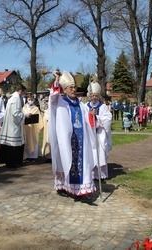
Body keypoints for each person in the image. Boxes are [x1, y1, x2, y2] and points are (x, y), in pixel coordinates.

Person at [49, 70, 97, 203]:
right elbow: (52, 96)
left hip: (81, 141)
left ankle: (81, 190)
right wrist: (57, 80)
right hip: (66, 140)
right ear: (64, 90)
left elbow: (88, 121)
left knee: (83, 163)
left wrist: (92, 115)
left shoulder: (81, 105)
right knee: (65, 161)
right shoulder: (60, 102)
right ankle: (64, 186)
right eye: (71, 87)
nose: (74, 89)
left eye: (75, 87)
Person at [0, 84, 29, 168]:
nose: (24, 94)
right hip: (14, 125)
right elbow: (15, 113)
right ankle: (12, 162)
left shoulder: (12, 97)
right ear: (20, 90)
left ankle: (11, 161)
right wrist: (24, 116)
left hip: (10, 123)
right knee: (13, 143)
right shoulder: (16, 99)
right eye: (24, 92)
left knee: (11, 144)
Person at [86, 81, 112, 180]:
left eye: (96, 96)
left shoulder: (103, 107)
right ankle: (91, 174)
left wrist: (96, 117)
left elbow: (108, 119)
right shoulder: (85, 106)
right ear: (89, 96)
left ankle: (100, 175)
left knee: (100, 154)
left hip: (99, 134)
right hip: (89, 135)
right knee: (90, 154)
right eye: (92, 95)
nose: (94, 97)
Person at [23, 95, 43, 161]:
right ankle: (26, 155)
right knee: (27, 140)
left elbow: (39, 117)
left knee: (33, 140)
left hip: (33, 127)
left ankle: (33, 156)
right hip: (26, 127)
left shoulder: (36, 108)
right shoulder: (24, 107)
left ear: (34, 100)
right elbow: (22, 114)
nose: (30, 100)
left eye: (31, 99)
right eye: (29, 99)